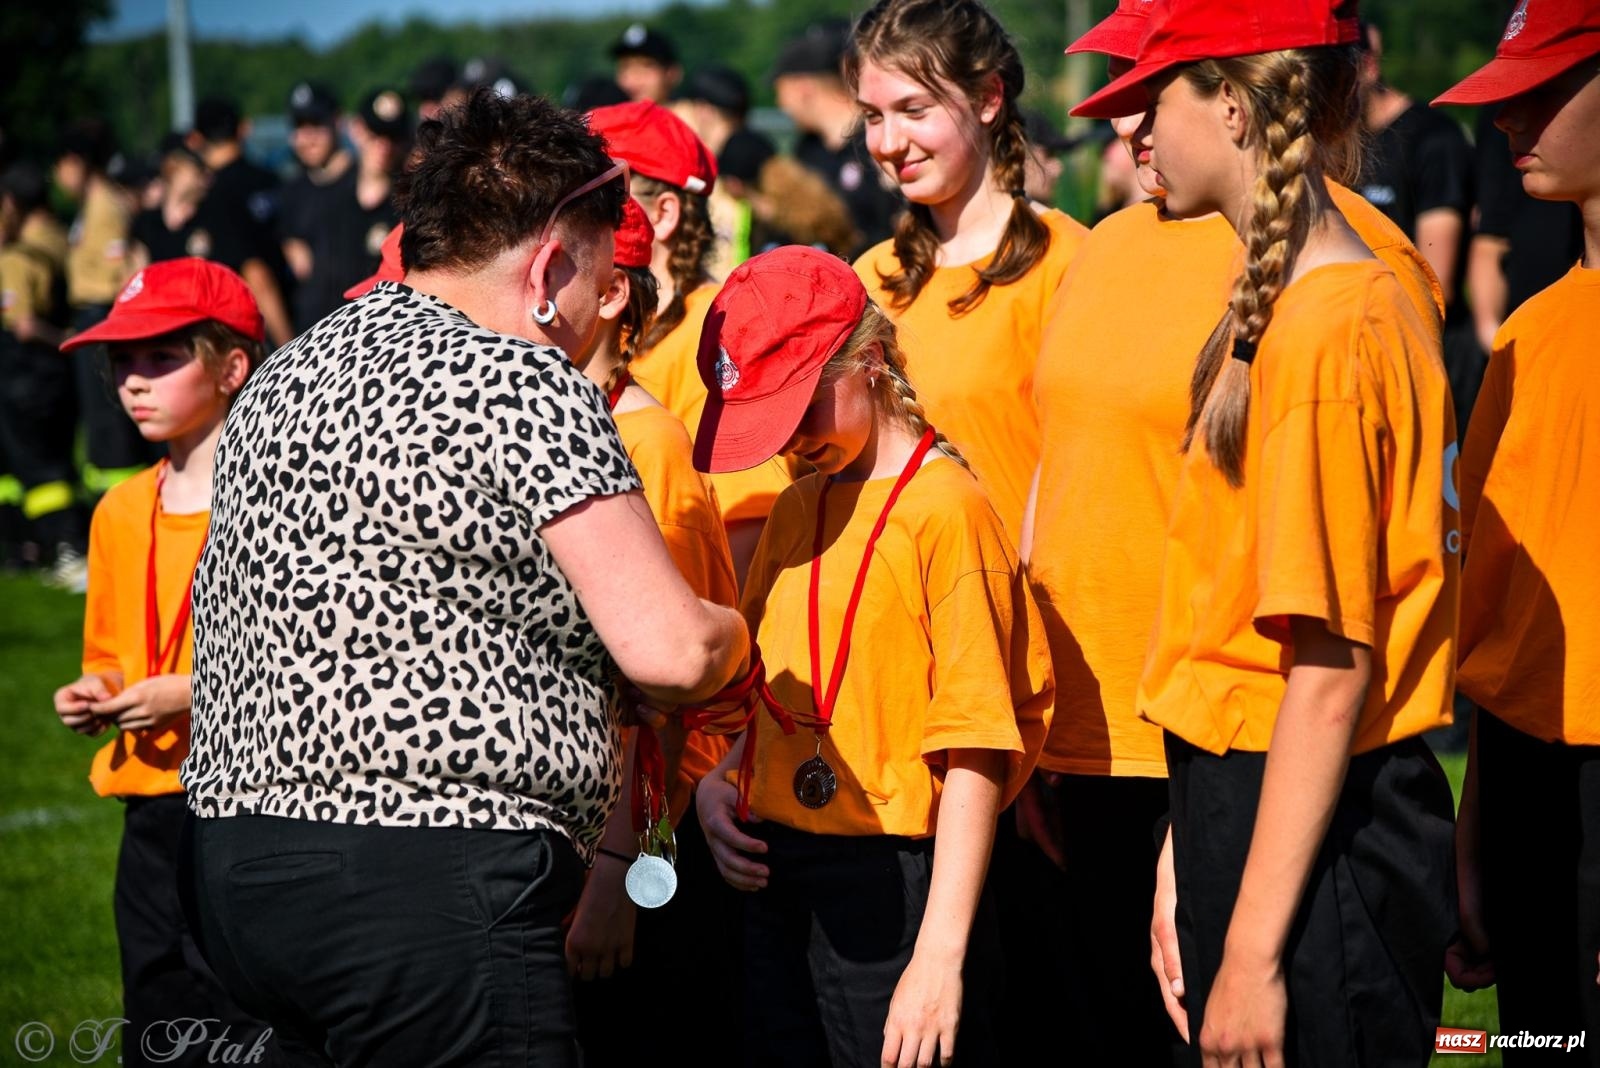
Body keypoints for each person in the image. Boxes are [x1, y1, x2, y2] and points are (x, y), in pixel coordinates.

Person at [180, 89, 749, 1067]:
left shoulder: (289, 370)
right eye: (592, 283)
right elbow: (670, 651)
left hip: (233, 869)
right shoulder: (524, 384)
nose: (582, 325)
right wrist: (740, 632)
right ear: (547, 268)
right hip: (428, 885)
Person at [1026, 1, 1449, 1063]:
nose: (1134, 133)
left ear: (1229, 103)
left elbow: (1326, 665)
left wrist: (1253, 955)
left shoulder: (1330, 330)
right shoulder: (1284, 306)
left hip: (1319, 820)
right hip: (1256, 792)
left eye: (1150, 99)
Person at [689, 246, 1052, 1068]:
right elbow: (771, 687)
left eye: (800, 412)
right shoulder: (795, 507)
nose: (789, 445)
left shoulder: (947, 512)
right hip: (775, 871)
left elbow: (978, 746)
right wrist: (723, 779)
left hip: (899, 885)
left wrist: (937, 957)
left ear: (871, 360)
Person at [52, 257, 271, 1067]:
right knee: (155, 1007)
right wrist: (98, 689)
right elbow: (111, 650)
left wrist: (194, 693)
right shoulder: (117, 509)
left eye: (161, 358)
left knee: (244, 1012)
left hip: (244, 802)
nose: (133, 382)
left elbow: (302, 667)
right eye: (123, 363)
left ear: (232, 367)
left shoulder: (276, 505)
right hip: (147, 811)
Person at [1434, 5, 1600, 1061]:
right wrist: (1474, 843)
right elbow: (1493, 625)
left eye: (1542, 92)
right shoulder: (1529, 338)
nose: (1507, 121)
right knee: (1544, 1046)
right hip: (1530, 783)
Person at [566, 196, 743, 1065]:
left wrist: (615, 866)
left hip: (635, 842)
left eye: (555, 270)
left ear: (610, 296)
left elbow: (667, 689)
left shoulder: (647, 444)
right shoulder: (549, 426)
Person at [847, 0, 1089, 547]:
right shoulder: (871, 275)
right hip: (905, 608)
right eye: (872, 116)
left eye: (914, 110)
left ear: (986, 99)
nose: (887, 143)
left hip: (1030, 612)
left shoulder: (1071, 263)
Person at [588, 99, 791, 589]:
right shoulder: (600, 329)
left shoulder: (718, 328)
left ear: (662, 213)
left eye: (596, 203)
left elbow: (748, 531)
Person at [1358, 19, 1484, 435]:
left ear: (1368, 67)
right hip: (1369, 349)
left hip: (1434, 355)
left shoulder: (1433, 140)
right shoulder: (1337, 143)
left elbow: (1437, 281)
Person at [58, 119, 156, 501]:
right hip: (89, 312)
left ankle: (124, 501)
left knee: (111, 423)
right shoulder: (90, 206)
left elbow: (119, 274)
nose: (59, 175)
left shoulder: (105, 207)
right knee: (98, 426)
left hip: (104, 311)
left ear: (78, 162)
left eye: (62, 163)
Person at [0, 161, 83, 580]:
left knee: (36, 464)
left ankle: (57, 546)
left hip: (25, 367)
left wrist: (59, 337)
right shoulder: (61, 237)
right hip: (51, 371)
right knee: (55, 459)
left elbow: (23, 322)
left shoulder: (17, 255)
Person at [277, 83, 404, 333]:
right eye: (300, 126)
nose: (307, 137)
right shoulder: (291, 192)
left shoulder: (361, 179)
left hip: (367, 327)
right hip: (313, 329)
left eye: (316, 124)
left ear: (337, 123)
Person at [773, 18, 904, 256]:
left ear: (801, 88)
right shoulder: (807, 150)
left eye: (779, 90)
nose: (779, 104)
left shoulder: (880, 143)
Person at [1466, 103, 1585, 354]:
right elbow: (1490, 236)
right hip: (1523, 344)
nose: (1507, 122)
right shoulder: (1505, 134)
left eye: (1548, 97)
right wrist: (1497, 343)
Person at [188, 96, 294, 347]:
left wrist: (289, 348)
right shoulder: (271, 179)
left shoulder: (216, 195)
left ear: (196, 139)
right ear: (243, 129)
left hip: (257, 332)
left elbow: (256, 274)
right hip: (297, 307)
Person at [611, 23, 682, 104]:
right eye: (625, 68)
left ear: (672, 73)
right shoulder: (603, 111)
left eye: (646, 67)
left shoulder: (692, 114)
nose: (633, 80)